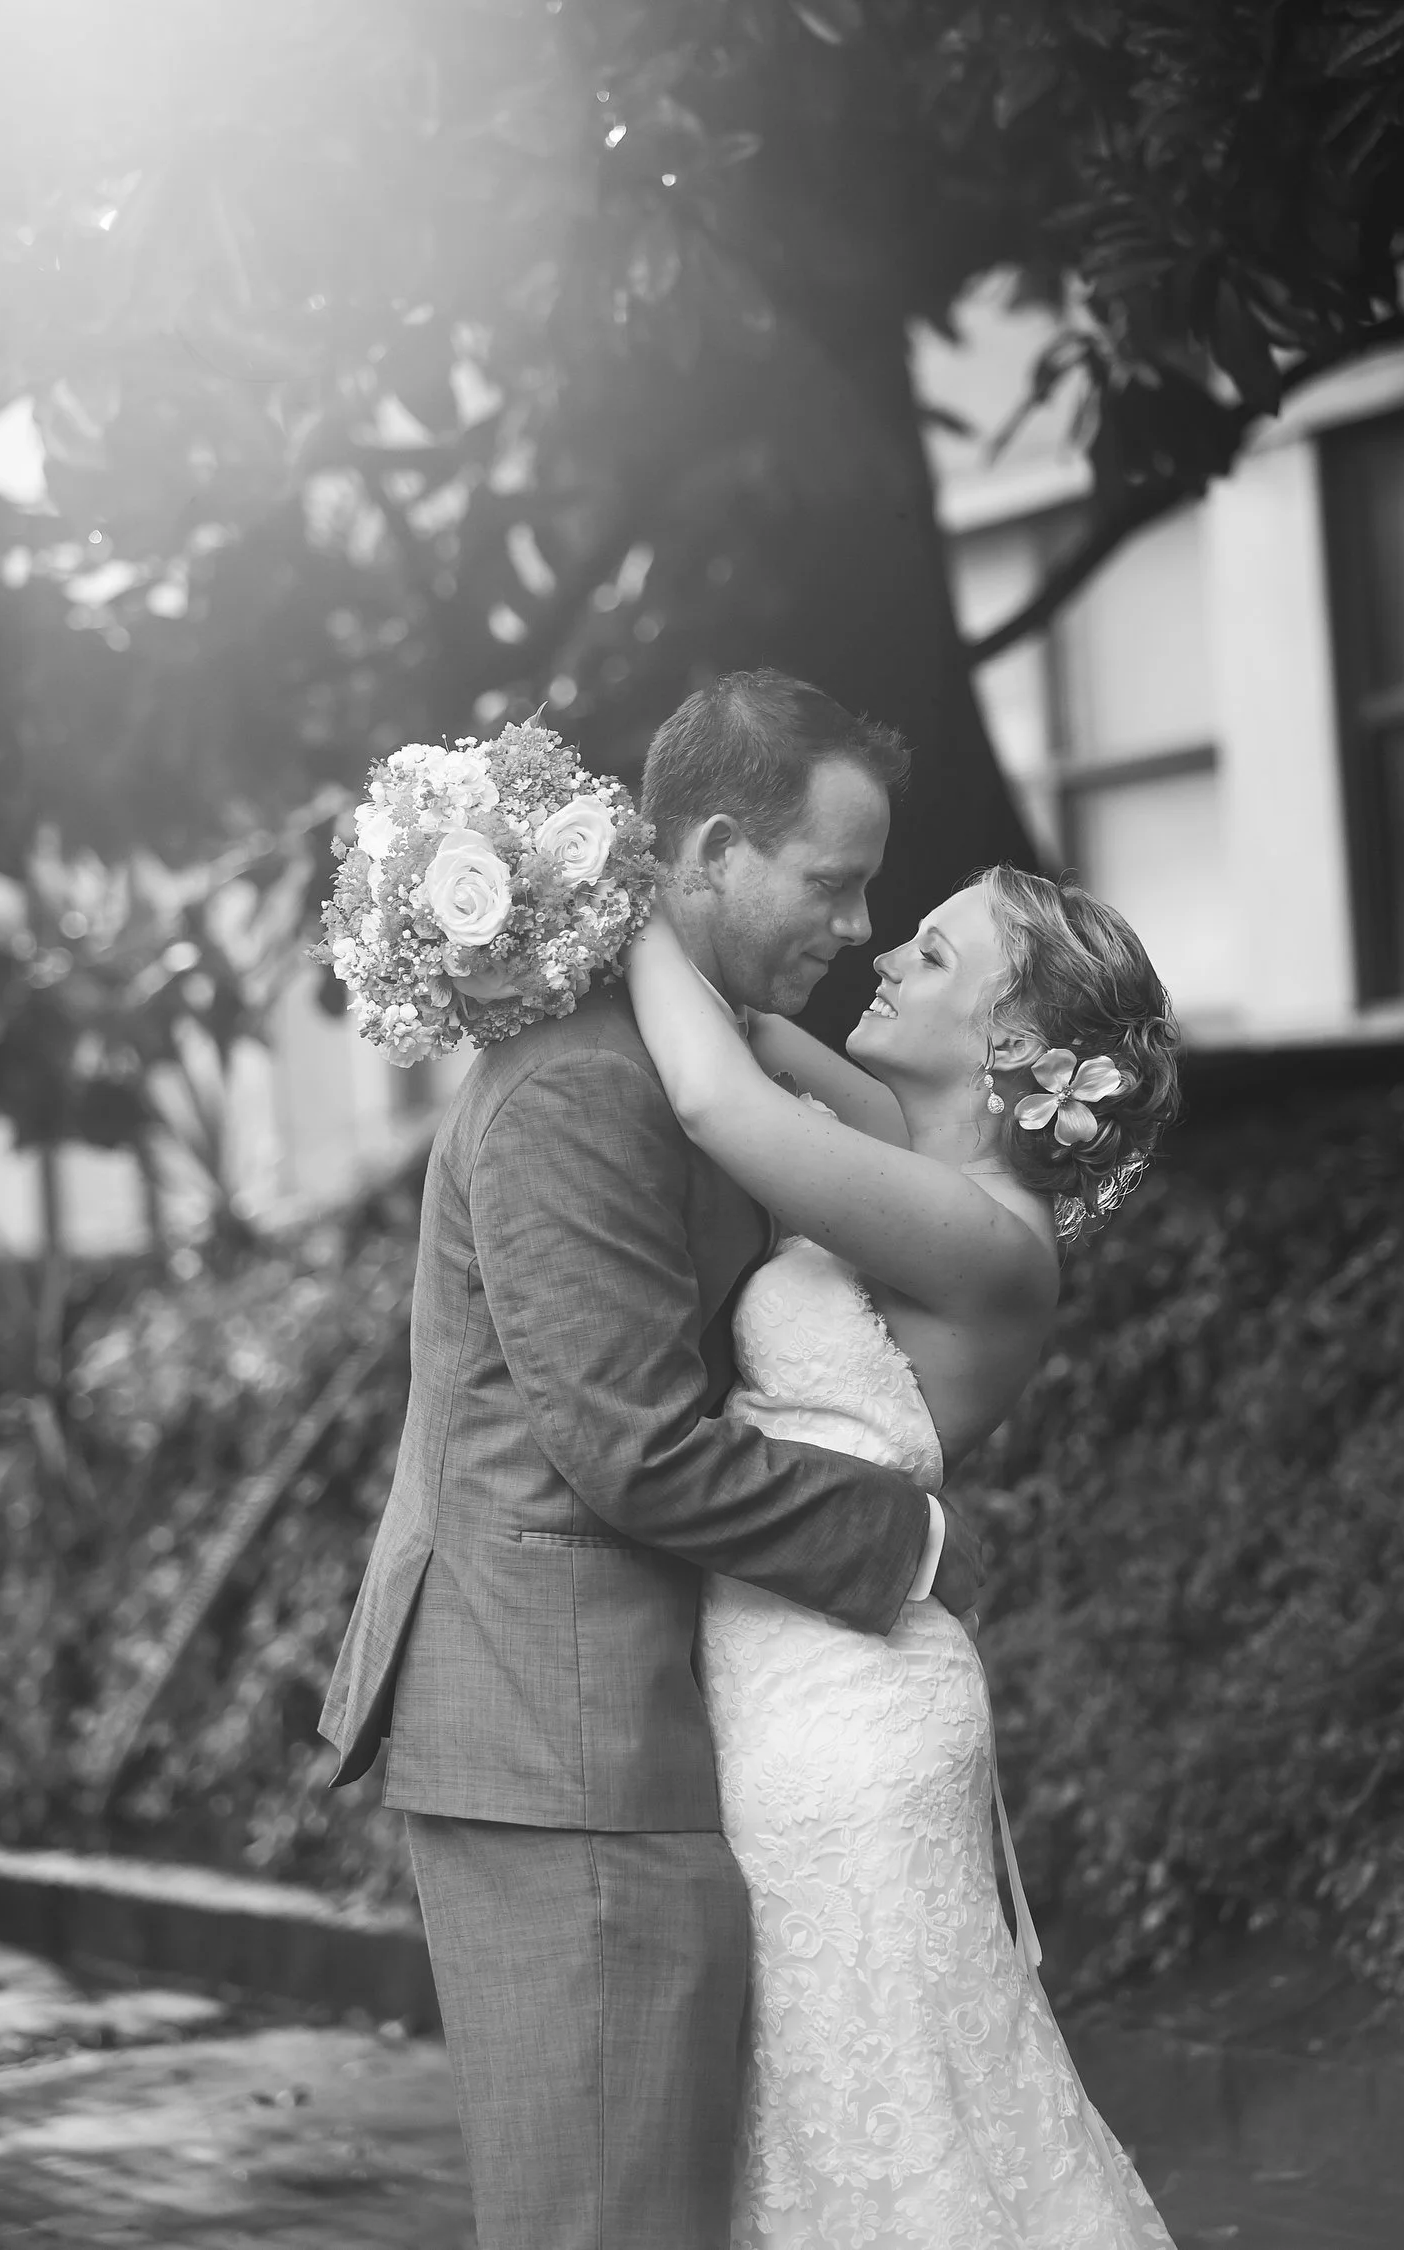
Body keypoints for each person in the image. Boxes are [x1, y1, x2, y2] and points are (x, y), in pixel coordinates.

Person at [318, 670, 987, 2250]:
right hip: (565, 1744)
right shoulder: (586, 1085)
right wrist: (905, 1541)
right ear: (706, 851)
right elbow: (632, 1451)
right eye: (830, 880)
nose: (859, 916)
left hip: (611, 1734)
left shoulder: (683, 1058)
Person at [625, 860, 1183, 2247]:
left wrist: (598, 886)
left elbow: (714, 1095)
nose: (881, 957)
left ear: (1010, 1044)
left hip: (846, 1730)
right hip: (792, 1674)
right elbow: (739, 1027)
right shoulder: (908, 1151)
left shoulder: (990, 1240)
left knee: (876, 2135)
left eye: (930, 955)